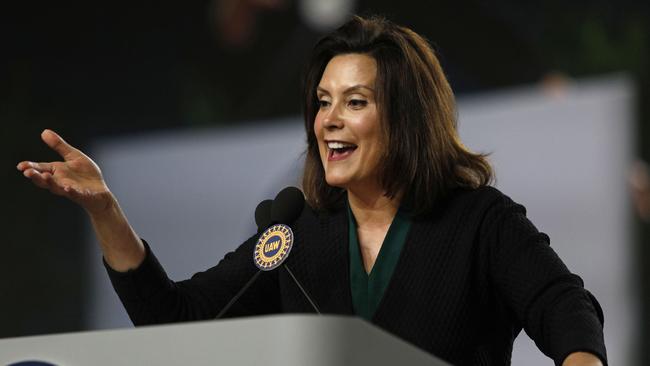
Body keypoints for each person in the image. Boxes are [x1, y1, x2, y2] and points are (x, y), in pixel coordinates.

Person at [17, 15, 606, 366]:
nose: (328, 120)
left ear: (405, 117)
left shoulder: (480, 220)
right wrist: (105, 211)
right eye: (323, 103)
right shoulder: (298, 233)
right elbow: (178, 319)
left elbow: (565, 306)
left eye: (355, 102)